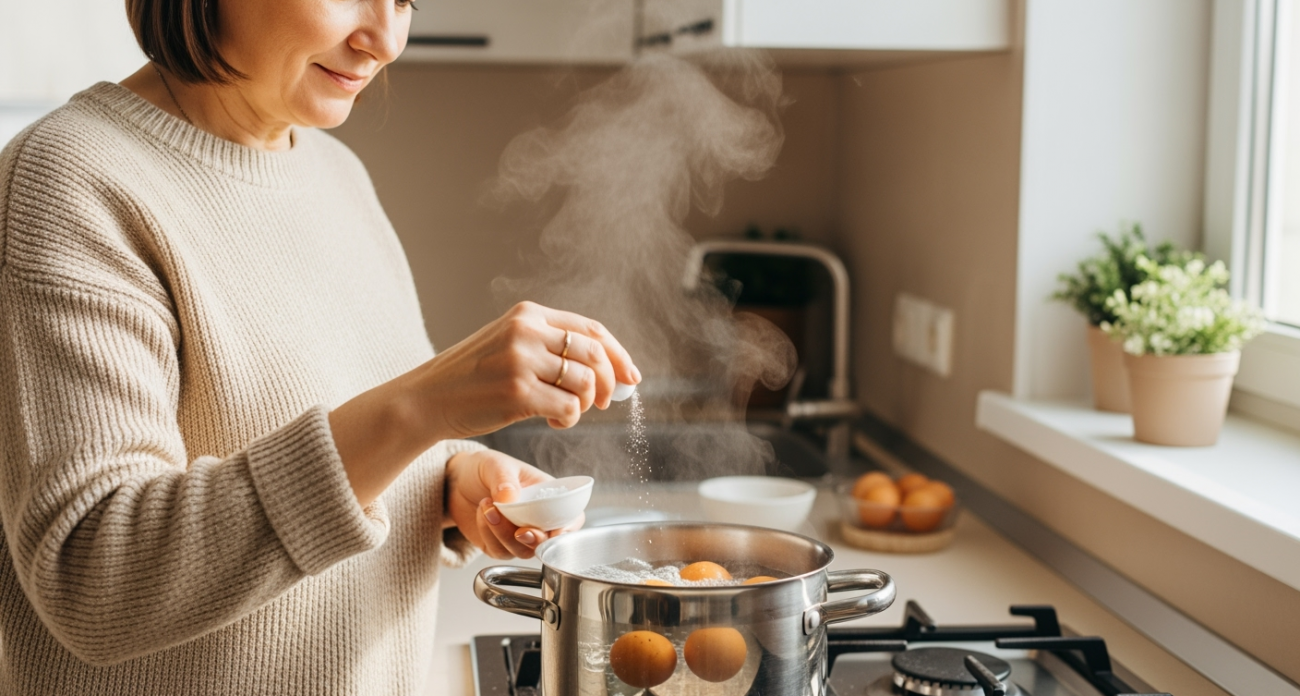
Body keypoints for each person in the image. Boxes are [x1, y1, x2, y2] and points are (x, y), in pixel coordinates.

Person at [0, 0, 639, 693]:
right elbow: (96, 579)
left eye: (405, 1)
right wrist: (423, 408)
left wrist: (454, 478)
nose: (384, 42)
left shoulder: (335, 173)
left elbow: (357, 423)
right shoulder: (71, 180)